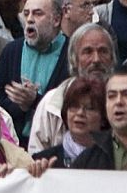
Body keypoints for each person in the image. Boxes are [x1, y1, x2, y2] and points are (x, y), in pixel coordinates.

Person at [24, 23, 120, 153]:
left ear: (112, 58)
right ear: (74, 59)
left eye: (103, 51)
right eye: (88, 52)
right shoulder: (51, 103)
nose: (96, 59)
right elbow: (37, 157)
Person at [0, 0, 69, 142]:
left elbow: (73, 104)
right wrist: (21, 105)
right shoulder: (11, 50)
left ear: (56, 20)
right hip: (16, 143)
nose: (30, 19)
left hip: (56, 143)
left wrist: (35, 100)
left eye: (38, 14)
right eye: (26, 14)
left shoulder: (72, 51)